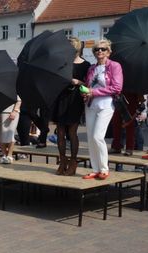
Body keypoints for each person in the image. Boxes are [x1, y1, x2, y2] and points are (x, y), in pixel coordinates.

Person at [82, 39, 123, 180]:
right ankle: (95, 169)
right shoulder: (91, 69)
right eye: (97, 49)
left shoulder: (115, 66)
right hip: (91, 105)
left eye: (103, 49)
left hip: (106, 105)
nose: (100, 51)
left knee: (97, 136)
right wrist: (86, 93)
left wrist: (94, 92)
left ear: (109, 52)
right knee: (90, 138)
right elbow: (89, 87)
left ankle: (104, 169)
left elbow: (117, 88)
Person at [52, 37, 91, 175]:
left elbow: (89, 84)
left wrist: (78, 82)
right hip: (61, 98)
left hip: (75, 99)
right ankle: (63, 161)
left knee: (72, 132)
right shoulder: (62, 63)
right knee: (60, 132)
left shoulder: (86, 65)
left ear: (78, 49)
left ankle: (73, 162)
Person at [0, 98, 21, 164]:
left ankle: (9, 156)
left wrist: (15, 111)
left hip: (11, 113)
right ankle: (4, 155)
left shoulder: (12, 88)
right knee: (0, 135)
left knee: (10, 134)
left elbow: (19, 100)